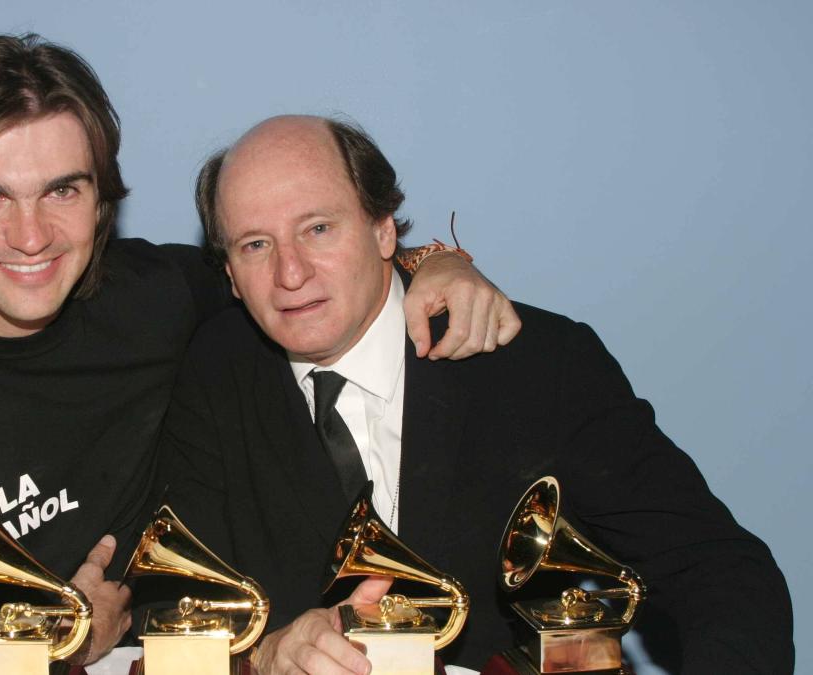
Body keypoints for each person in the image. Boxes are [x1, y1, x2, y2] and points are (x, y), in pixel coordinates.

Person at [0, 35, 521, 673]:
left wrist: (438, 262)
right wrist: (44, 637)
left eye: (63, 190)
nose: (31, 235)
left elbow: (305, 269)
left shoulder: (155, 295)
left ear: (102, 198)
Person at [155, 115, 793, 674]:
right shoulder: (210, 372)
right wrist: (261, 657)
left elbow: (720, 573)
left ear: (383, 230)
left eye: (318, 228)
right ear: (231, 273)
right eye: (256, 244)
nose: (290, 274)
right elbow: (175, 607)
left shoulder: (537, 365)